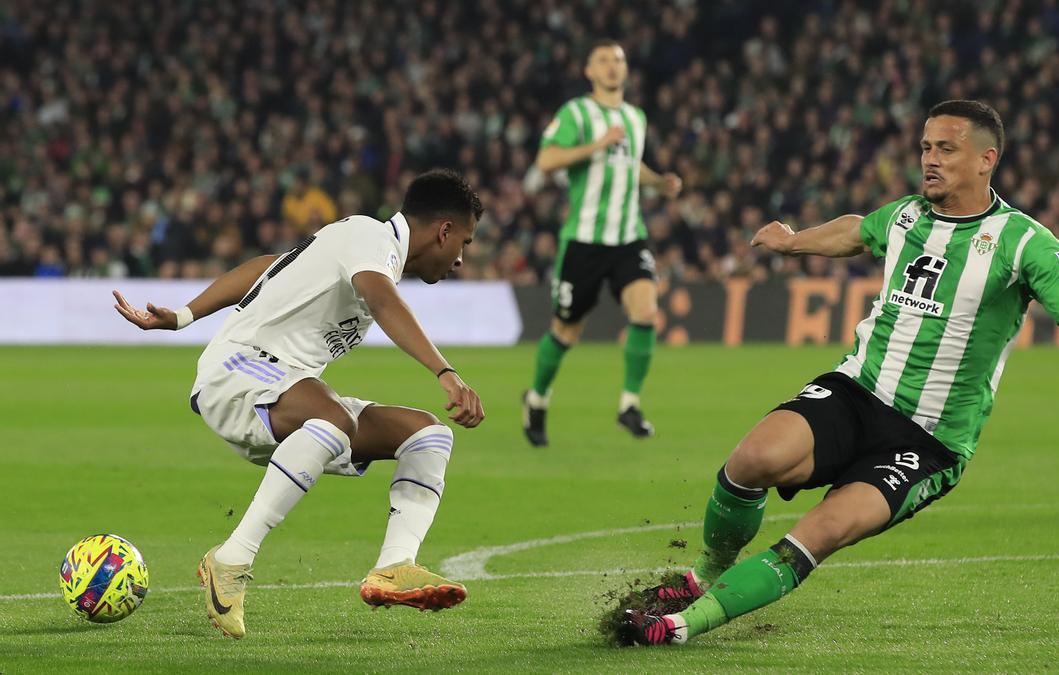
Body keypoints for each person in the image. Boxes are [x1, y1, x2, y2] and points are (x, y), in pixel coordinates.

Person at [616, 101, 1059, 646]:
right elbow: (857, 229)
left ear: (987, 159)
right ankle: (702, 576)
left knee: (821, 531)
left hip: (928, 441)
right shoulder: (909, 214)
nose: (930, 159)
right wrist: (795, 244)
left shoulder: (1024, 242)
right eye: (925, 147)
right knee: (751, 461)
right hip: (858, 390)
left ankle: (684, 626)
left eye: (946, 148)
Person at [114, 170, 486, 639]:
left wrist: (187, 313)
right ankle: (231, 560)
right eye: (465, 243)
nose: (460, 258)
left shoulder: (359, 248)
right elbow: (383, 300)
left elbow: (269, 267)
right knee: (329, 416)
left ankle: (394, 566)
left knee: (428, 435)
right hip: (237, 370)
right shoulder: (370, 237)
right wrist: (445, 372)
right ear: (444, 230)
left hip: (284, 388)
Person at [522, 39, 683, 447]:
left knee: (646, 311)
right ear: (588, 71)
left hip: (629, 237)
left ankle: (629, 404)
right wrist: (595, 145)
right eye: (603, 61)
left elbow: (631, 165)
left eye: (618, 61)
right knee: (565, 331)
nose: (612, 67)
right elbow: (546, 161)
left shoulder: (636, 117)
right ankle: (537, 399)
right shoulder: (576, 113)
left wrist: (658, 182)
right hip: (584, 242)